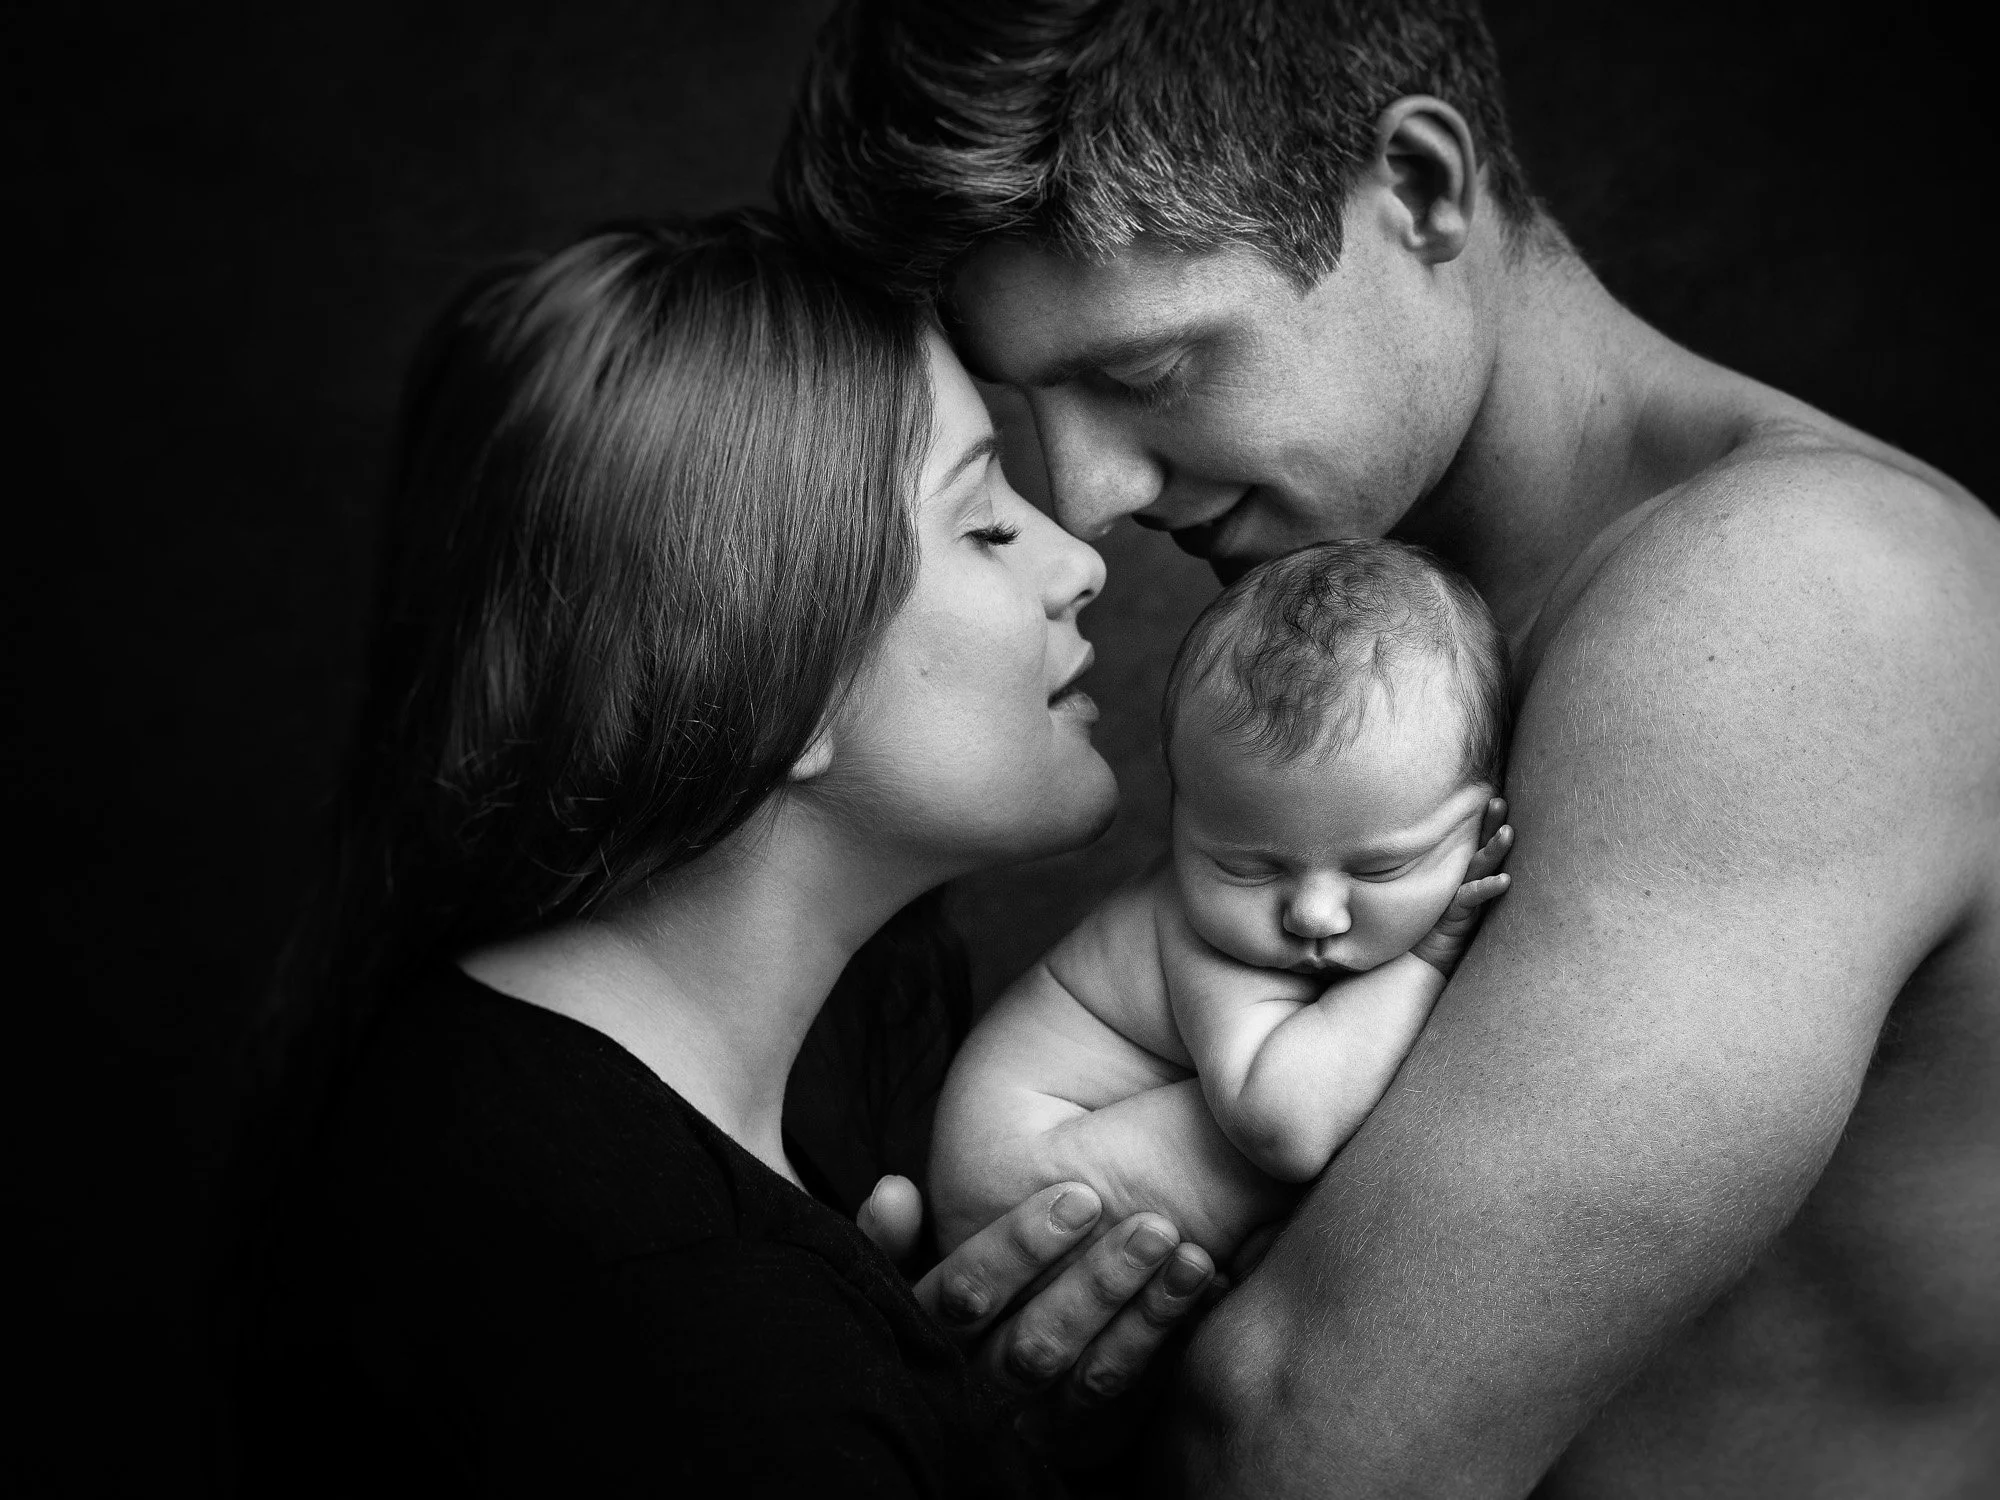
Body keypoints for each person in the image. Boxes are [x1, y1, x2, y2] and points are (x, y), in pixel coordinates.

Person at [776, 2, 2000, 1495]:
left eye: (1151, 373)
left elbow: (1306, 1444)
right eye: (1034, 406)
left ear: (1419, 189)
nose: (1087, 499)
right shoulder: (1350, 645)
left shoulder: (1796, 603)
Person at [236, 211, 1221, 1496]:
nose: (1079, 560)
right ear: (771, 677)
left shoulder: (853, 1036)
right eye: (984, 525)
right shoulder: (682, 1333)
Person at [929, 541, 1513, 1261]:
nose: (1313, 916)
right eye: (1248, 868)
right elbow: (1287, 1126)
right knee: (1321, 1138)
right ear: (1181, 820)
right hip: (1026, 1175)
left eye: (1383, 867)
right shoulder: (1198, 940)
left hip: (1061, 1157)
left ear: (1484, 818)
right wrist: (1423, 959)